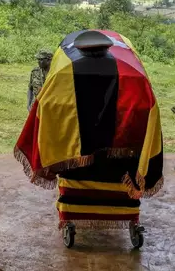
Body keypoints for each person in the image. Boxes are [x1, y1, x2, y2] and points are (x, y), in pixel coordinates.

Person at [14, 30, 163, 236]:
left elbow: (45, 105)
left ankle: (73, 212)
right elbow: (148, 108)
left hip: (76, 156)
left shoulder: (63, 72)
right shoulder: (131, 74)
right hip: (120, 157)